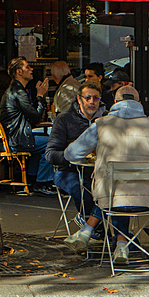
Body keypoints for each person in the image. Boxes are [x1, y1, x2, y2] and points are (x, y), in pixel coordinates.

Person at [63, 85, 149, 264]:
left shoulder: (102, 124)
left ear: (115, 102)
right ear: (138, 103)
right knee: (124, 193)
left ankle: (88, 231)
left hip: (110, 200)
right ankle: (121, 245)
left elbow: (71, 154)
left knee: (116, 194)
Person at [46, 80, 105, 219]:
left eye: (96, 98)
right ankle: (93, 225)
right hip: (68, 171)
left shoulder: (106, 119)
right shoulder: (65, 119)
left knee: (117, 191)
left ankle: (120, 233)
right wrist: (70, 157)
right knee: (83, 190)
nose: (92, 102)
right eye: (87, 98)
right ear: (79, 99)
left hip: (100, 171)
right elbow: (50, 154)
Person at [0, 56, 53, 195]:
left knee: (43, 142)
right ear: (19, 72)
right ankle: (42, 182)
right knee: (51, 142)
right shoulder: (18, 91)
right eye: (27, 67)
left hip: (13, 137)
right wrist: (40, 96)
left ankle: (32, 178)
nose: (31, 69)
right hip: (17, 139)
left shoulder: (14, 90)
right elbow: (35, 116)